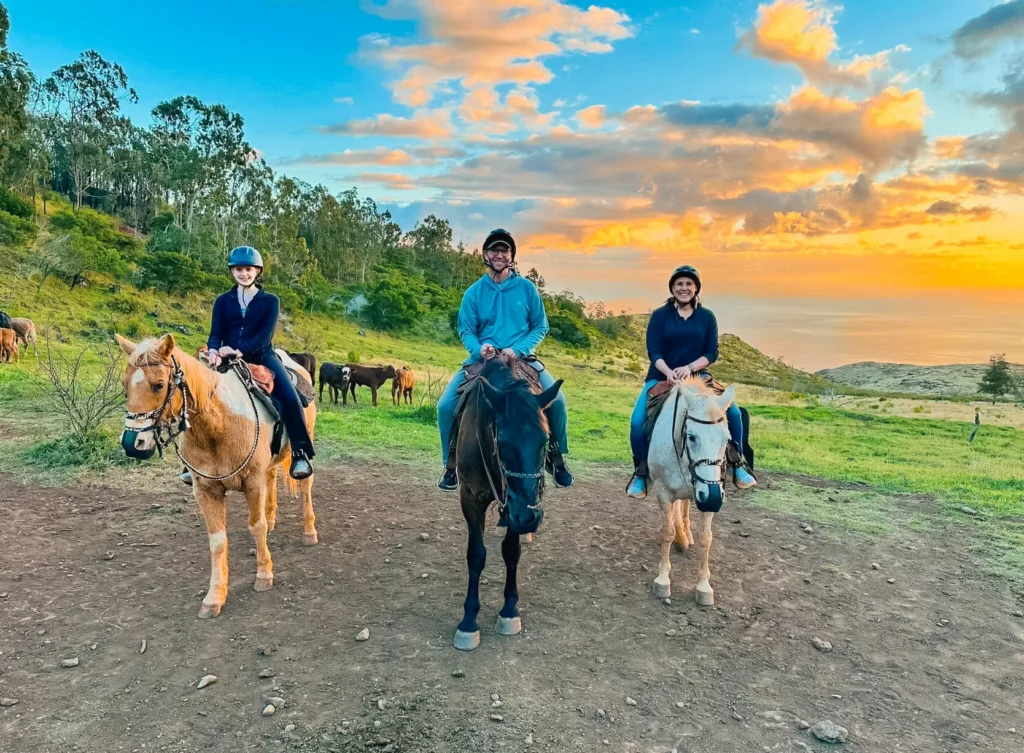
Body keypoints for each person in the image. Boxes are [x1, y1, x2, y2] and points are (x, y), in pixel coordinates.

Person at [437, 228, 573, 491]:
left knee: (558, 402)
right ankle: (450, 464)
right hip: (484, 361)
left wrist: (518, 348)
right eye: (494, 250)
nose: (499, 254)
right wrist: (480, 349)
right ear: (485, 254)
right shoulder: (474, 292)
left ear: (511, 256)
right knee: (445, 406)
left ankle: (557, 457)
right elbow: (466, 329)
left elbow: (540, 327)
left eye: (505, 250)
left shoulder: (527, 289)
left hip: (522, 359)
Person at [182, 246, 314, 484]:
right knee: (194, 395)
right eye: (239, 269)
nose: (244, 274)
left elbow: (265, 336)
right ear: (232, 272)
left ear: (257, 271)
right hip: (225, 358)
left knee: (291, 397)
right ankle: (191, 460)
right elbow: (216, 333)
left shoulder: (270, 301)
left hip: (262, 357)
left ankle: (300, 453)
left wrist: (239, 351)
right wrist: (213, 350)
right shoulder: (223, 301)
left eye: (249, 269)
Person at [626, 265, 757, 499]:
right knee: (637, 423)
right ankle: (641, 472)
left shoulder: (707, 317)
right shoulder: (660, 316)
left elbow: (712, 352)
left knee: (734, 414)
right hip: (661, 376)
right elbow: (654, 352)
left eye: (689, 284)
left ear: (696, 288)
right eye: (679, 284)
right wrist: (669, 371)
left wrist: (689, 368)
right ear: (672, 288)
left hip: (699, 376)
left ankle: (738, 464)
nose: (684, 288)